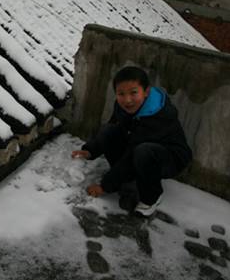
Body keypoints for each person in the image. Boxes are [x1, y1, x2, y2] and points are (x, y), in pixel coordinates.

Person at [71, 66, 192, 217]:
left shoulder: (158, 117)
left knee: (143, 152)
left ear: (146, 92)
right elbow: (113, 126)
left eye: (134, 92)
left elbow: (132, 154)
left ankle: (151, 197)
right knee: (109, 130)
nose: (127, 100)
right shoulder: (122, 106)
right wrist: (90, 150)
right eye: (121, 93)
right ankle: (126, 179)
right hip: (140, 149)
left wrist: (104, 186)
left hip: (170, 158)